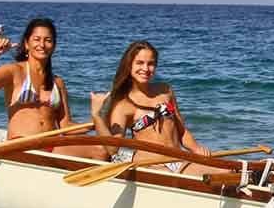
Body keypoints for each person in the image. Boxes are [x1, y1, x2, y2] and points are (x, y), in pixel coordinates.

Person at [92, 40, 232, 175]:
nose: (146, 69)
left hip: (178, 159)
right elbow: (113, 148)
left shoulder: (165, 91)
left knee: (228, 169)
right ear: (129, 66)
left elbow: (181, 131)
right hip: (151, 164)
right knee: (224, 172)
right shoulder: (123, 104)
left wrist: (196, 149)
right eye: (140, 63)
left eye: (151, 64)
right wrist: (96, 116)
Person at [0, 17, 106, 158]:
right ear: (26, 43)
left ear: (54, 46)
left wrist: (96, 121)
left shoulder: (58, 82)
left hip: (51, 145)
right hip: (22, 144)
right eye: (37, 39)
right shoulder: (14, 71)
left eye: (48, 40)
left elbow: (65, 125)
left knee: (101, 150)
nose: (42, 45)